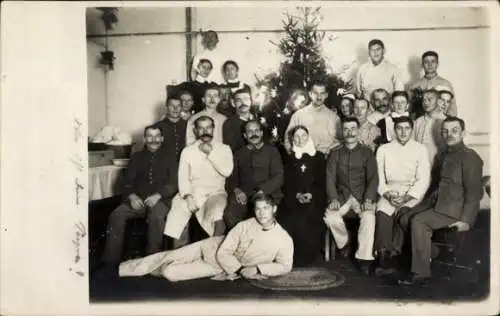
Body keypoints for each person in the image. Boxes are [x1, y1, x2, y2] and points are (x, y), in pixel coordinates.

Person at [119, 193, 294, 282]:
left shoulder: (283, 238)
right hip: (212, 246)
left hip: (218, 266)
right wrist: (241, 270)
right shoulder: (245, 225)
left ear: (274, 209)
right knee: (169, 255)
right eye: (258, 209)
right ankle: (123, 269)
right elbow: (224, 250)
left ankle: (153, 268)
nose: (261, 213)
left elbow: (285, 265)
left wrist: (258, 269)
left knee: (170, 273)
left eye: (266, 208)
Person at [395, 117, 483, 284]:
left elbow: (474, 193)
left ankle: (420, 274)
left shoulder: (470, 157)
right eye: (446, 131)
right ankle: (430, 252)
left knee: (419, 222)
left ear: (463, 133)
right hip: (436, 203)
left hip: (454, 209)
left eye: (455, 131)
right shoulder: (442, 156)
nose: (450, 135)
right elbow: (435, 185)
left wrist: (466, 220)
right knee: (404, 216)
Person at [101, 125, 178, 268]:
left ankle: (152, 261)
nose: (153, 139)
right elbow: (126, 182)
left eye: (157, 136)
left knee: (156, 216)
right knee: (116, 215)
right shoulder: (136, 157)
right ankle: (110, 262)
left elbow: (174, 183)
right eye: (149, 136)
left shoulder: (170, 157)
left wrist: (158, 195)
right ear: (144, 138)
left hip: (161, 200)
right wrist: (132, 196)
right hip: (138, 201)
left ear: (161, 138)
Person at [164, 116, 233, 248]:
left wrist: (210, 153)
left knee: (217, 213)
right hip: (192, 192)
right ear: (195, 131)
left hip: (216, 193)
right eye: (200, 128)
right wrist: (188, 196)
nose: (205, 131)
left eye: (208, 127)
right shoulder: (188, 151)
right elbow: (183, 177)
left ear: (213, 129)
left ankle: (213, 255)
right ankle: (180, 256)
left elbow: (227, 171)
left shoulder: (224, 149)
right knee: (178, 211)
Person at [374, 116, 431, 276]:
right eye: (400, 128)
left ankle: (397, 254)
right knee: (382, 213)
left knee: (403, 214)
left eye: (407, 128)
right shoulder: (383, 149)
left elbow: (423, 179)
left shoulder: (421, 149)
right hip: (390, 191)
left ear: (412, 130)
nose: (403, 132)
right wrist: (387, 194)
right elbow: (378, 178)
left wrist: (406, 198)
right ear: (394, 130)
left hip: (412, 192)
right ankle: (384, 257)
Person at [324, 118, 378, 275]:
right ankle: (344, 243)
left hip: (362, 199)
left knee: (369, 218)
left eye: (353, 128)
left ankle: (364, 258)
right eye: (346, 129)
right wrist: (333, 199)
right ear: (342, 131)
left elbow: (373, 178)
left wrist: (368, 198)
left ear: (358, 131)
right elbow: (329, 178)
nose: (349, 132)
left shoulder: (367, 153)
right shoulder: (335, 154)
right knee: (330, 216)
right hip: (342, 198)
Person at [279, 125, 326, 266]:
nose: (300, 139)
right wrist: (297, 195)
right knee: (291, 217)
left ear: (308, 137)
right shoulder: (289, 158)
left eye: (303, 135)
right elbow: (286, 183)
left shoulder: (318, 157)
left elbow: (322, 181)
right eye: (296, 137)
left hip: (315, 198)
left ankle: (308, 256)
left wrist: (312, 195)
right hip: (293, 198)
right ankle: (292, 255)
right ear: (292, 139)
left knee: (310, 216)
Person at [224, 120, 284, 230]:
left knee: (264, 218)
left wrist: (263, 190)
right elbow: (231, 178)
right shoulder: (238, 153)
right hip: (245, 194)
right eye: (250, 132)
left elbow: (279, 176)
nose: (254, 134)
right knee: (230, 214)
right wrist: (237, 191)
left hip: (268, 194)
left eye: (257, 130)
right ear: (245, 135)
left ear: (261, 133)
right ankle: (240, 243)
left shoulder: (272, 151)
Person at [284, 80, 341, 155]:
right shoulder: (298, 115)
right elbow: (288, 138)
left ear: (326, 95)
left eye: (322, 93)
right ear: (310, 94)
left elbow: (340, 141)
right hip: (303, 160)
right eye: (315, 93)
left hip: (326, 161)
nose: (319, 97)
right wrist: (294, 156)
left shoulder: (334, 118)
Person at [409, 51, 457, 117]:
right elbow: (410, 109)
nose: (430, 64)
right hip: (421, 122)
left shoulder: (445, 84)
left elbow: (453, 109)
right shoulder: (415, 85)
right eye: (426, 62)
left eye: (433, 61)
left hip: (439, 122)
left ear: (437, 64)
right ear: (422, 65)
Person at [413, 89, 447, 164]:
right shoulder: (418, 121)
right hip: (420, 164)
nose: (426, 102)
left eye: (429, 99)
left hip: (438, 165)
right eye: (424, 100)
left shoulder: (445, 121)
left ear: (439, 102)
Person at [153, 96, 187, 161]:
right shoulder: (157, 126)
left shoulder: (188, 125)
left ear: (182, 108)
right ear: (167, 107)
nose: (175, 108)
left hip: (184, 165)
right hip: (163, 165)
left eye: (178, 106)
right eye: (172, 105)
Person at [222, 88, 255, 152]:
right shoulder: (229, 124)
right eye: (239, 100)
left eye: (246, 99)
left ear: (251, 101)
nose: (243, 103)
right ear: (233, 103)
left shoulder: (259, 119)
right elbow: (230, 150)